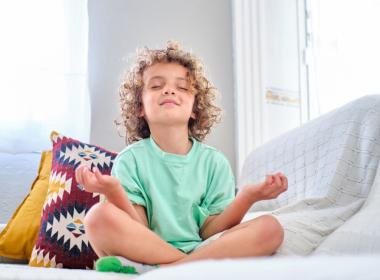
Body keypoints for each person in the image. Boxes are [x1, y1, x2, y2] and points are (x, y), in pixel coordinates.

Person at [75, 41, 288, 275]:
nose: (169, 90)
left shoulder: (214, 163)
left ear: (195, 107)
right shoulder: (130, 160)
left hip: (203, 248)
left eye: (183, 87)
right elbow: (139, 229)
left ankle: (162, 271)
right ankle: (180, 269)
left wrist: (248, 196)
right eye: (156, 86)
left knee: (271, 228)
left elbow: (210, 231)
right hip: (143, 250)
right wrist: (113, 191)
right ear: (140, 108)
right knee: (98, 217)